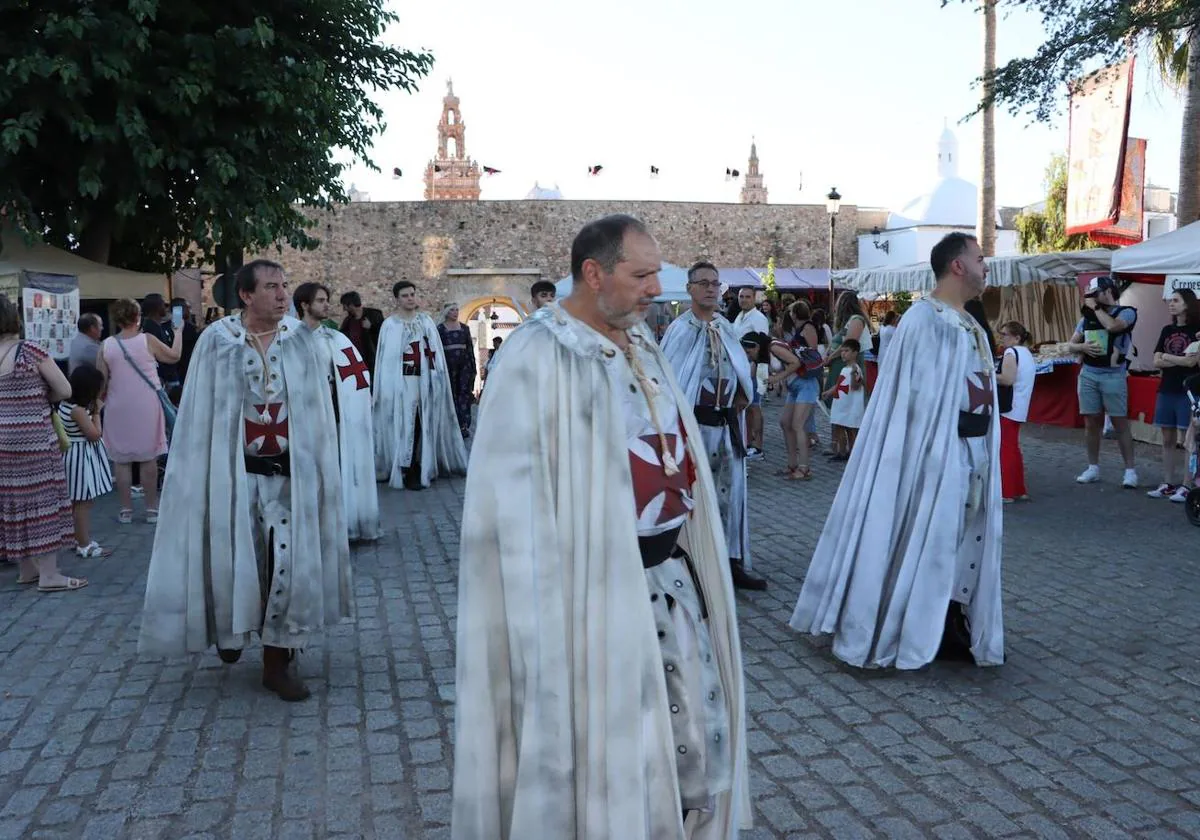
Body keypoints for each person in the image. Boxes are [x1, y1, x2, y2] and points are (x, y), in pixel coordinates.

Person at [453, 215, 750, 839]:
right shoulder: (537, 355)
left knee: (688, 740)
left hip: (671, 582)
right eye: (640, 275)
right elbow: (509, 513)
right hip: (590, 599)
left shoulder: (643, 344)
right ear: (593, 273)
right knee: (611, 751)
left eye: (656, 276)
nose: (654, 290)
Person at [139, 259, 353, 702]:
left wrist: (317, 472)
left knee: (285, 567)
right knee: (238, 559)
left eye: (284, 285)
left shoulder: (302, 342)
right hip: (233, 478)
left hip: (288, 479)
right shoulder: (218, 343)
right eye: (271, 287)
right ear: (246, 295)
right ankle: (230, 631)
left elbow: (318, 415)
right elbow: (201, 417)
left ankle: (277, 660)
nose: (281, 294)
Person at [790, 232, 1003, 670]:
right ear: (957, 265)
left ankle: (949, 615)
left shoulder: (969, 322)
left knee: (964, 534)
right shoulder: (922, 321)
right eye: (980, 258)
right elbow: (908, 397)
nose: (986, 266)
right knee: (927, 532)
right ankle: (905, 619)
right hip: (932, 451)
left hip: (973, 448)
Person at [661, 261, 767, 591]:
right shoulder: (681, 330)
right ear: (690, 289)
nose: (710, 288)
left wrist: (741, 394)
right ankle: (692, 564)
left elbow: (739, 368)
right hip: (694, 429)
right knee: (695, 497)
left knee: (732, 497)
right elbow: (671, 382)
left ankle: (732, 561)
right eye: (703, 282)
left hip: (725, 427)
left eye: (715, 283)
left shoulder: (725, 327)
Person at [0, 294, 86, 592]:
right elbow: (64, 389)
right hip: (34, 437)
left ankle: (26, 570)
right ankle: (49, 574)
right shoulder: (30, 351)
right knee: (42, 502)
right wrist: (39, 397)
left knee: (14, 501)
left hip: (3, 441)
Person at [295, 282, 380, 542]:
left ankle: (336, 523)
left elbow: (356, 377)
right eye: (320, 301)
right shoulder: (289, 340)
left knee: (333, 470)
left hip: (331, 415)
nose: (326, 305)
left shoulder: (335, 339)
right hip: (301, 418)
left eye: (326, 300)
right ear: (304, 305)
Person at [373, 281, 468, 491]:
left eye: (412, 294)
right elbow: (386, 362)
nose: (410, 298)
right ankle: (404, 466)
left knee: (421, 423)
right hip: (400, 384)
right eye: (405, 295)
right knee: (403, 424)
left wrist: (437, 380)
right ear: (397, 299)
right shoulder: (390, 326)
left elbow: (436, 354)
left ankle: (419, 464)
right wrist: (389, 387)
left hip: (425, 383)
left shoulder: (426, 322)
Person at [97, 297, 182, 525]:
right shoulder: (148, 340)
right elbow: (174, 356)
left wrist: (96, 408)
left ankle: (126, 510)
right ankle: (151, 509)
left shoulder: (106, 345)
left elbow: (101, 382)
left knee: (121, 460)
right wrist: (179, 331)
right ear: (138, 317)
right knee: (148, 457)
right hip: (145, 403)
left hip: (117, 405)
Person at [1067, 276, 1138, 488]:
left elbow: (1114, 327)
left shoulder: (1127, 311)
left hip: (1114, 374)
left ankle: (1130, 471)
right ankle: (1093, 467)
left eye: (1095, 293)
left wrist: (1097, 308)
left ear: (1108, 291)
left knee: (1119, 422)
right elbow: (1071, 344)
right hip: (1089, 372)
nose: (1092, 298)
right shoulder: (1086, 317)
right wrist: (1082, 348)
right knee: (1091, 422)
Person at [1147, 290, 1200, 502]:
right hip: (1166, 388)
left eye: (1176, 300)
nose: (1171, 304)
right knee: (1167, 438)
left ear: (1187, 304)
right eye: (1170, 300)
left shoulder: (1197, 330)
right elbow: (1156, 361)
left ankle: (1187, 485)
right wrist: (1176, 358)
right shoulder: (1167, 329)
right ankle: (1168, 482)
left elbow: (1192, 362)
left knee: (1188, 440)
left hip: (1187, 391)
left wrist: (1167, 357)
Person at [740, 331, 812, 481]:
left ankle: (804, 468)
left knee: (798, 425)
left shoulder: (773, 347)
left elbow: (796, 362)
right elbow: (752, 374)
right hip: (794, 386)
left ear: (757, 347)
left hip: (806, 384)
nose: (748, 355)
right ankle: (792, 465)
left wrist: (777, 378)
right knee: (785, 423)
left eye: (749, 352)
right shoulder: (762, 354)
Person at [59, 365, 114, 557]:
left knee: (78, 502)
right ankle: (84, 544)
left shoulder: (65, 405)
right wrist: (97, 412)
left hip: (73, 456)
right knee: (82, 502)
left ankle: (78, 538)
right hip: (81, 459)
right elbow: (94, 434)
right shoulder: (78, 411)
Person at [823, 291, 871, 455]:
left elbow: (849, 344)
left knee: (848, 407)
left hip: (848, 366)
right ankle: (838, 445)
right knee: (838, 405)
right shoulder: (847, 321)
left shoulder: (856, 320)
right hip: (839, 366)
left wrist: (831, 357)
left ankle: (849, 447)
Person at [996, 321, 1036, 503]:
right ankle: (1019, 489)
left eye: (1005, 334)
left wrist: (987, 373)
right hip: (1020, 405)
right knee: (1012, 448)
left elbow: (1007, 379)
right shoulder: (1026, 353)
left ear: (1016, 337)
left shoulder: (1011, 353)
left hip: (1010, 406)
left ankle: (1008, 491)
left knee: (1006, 449)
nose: (1002, 338)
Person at [732, 287, 769, 461]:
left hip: (753, 368)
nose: (744, 300)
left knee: (755, 407)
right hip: (740, 368)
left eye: (747, 297)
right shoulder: (739, 317)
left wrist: (756, 367)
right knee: (746, 407)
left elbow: (763, 345)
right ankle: (748, 442)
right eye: (741, 297)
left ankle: (758, 446)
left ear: (754, 298)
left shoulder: (758, 318)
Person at [437, 302, 477, 439]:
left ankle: (464, 425)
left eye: (456, 310)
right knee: (450, 394)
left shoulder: (465, 328)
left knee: (464, 394)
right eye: (452, 310)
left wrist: (473, 367)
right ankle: (451, 424)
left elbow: (470, 348)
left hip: (464, 365)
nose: (455, 312)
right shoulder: (440, 329)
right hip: (448, 365)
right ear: (446, 312)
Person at [824, 338, 865, 458]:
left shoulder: (856, 369)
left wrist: (854, 376)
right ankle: (841, 452)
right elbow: (839, 384)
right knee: (839, 426)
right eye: (842, 351)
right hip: (841, 403)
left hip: (851, 404)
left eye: (846, 351)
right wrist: (829, 392)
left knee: (851, 429)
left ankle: (853, 453)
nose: (843, 353)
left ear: (855, 353)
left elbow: (855, 387)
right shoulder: (844, 368)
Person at [139, 293, 181, 391]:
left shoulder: (159, 326)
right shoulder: (149, 327)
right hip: (164, 380)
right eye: (164, 304)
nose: (166, 308)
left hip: (169, 377)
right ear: (157, 307)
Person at [339, 291, 384, 374]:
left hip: (374, 362)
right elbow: (341, 338)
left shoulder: (374, 315)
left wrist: (371, 327)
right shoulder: (348, 321)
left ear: (351, 305)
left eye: (345, 306)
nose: (344, 309)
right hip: (357, 364)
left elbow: (384, 335)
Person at [170, 298, 201, 384]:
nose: (190, 311)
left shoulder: (170, 325)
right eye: (188, 308)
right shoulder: (186, 327)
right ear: (181, 309)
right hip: (185, 369)